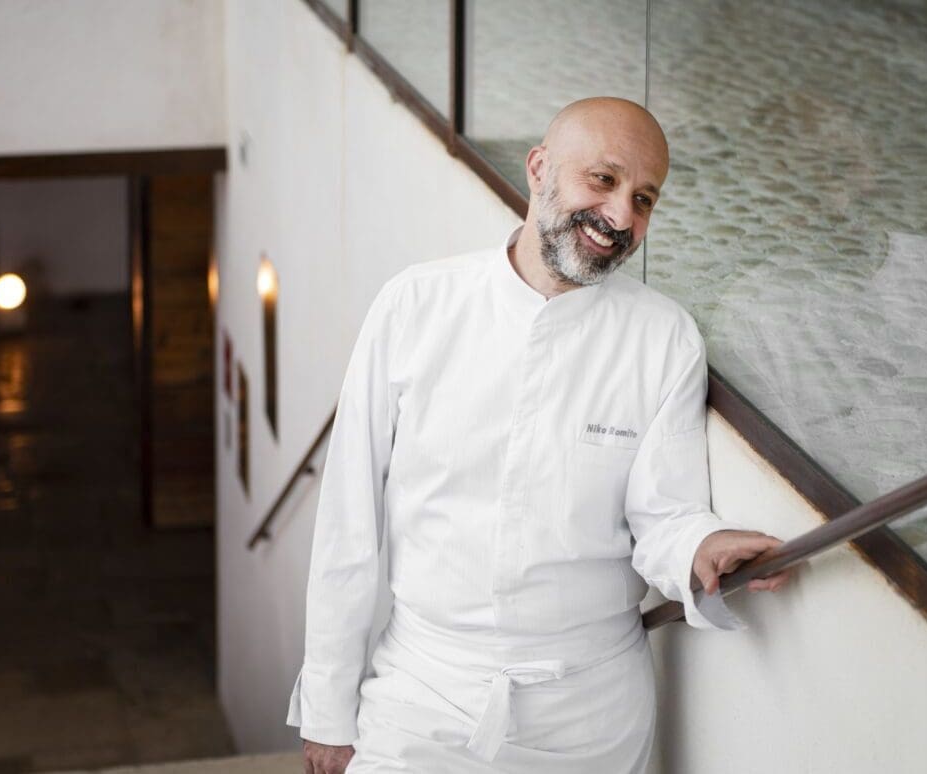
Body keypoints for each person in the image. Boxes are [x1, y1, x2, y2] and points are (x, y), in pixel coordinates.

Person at [288, 97, 793, 774]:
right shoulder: (415, 306)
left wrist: (700, 546)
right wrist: (327, 709)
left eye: (644, 199)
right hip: (424, 691)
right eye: (603, 180)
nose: (621, 217)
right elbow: (347, 523)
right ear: (538, 169)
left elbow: (663, 515)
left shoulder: (664, 337)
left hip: (591, 714)